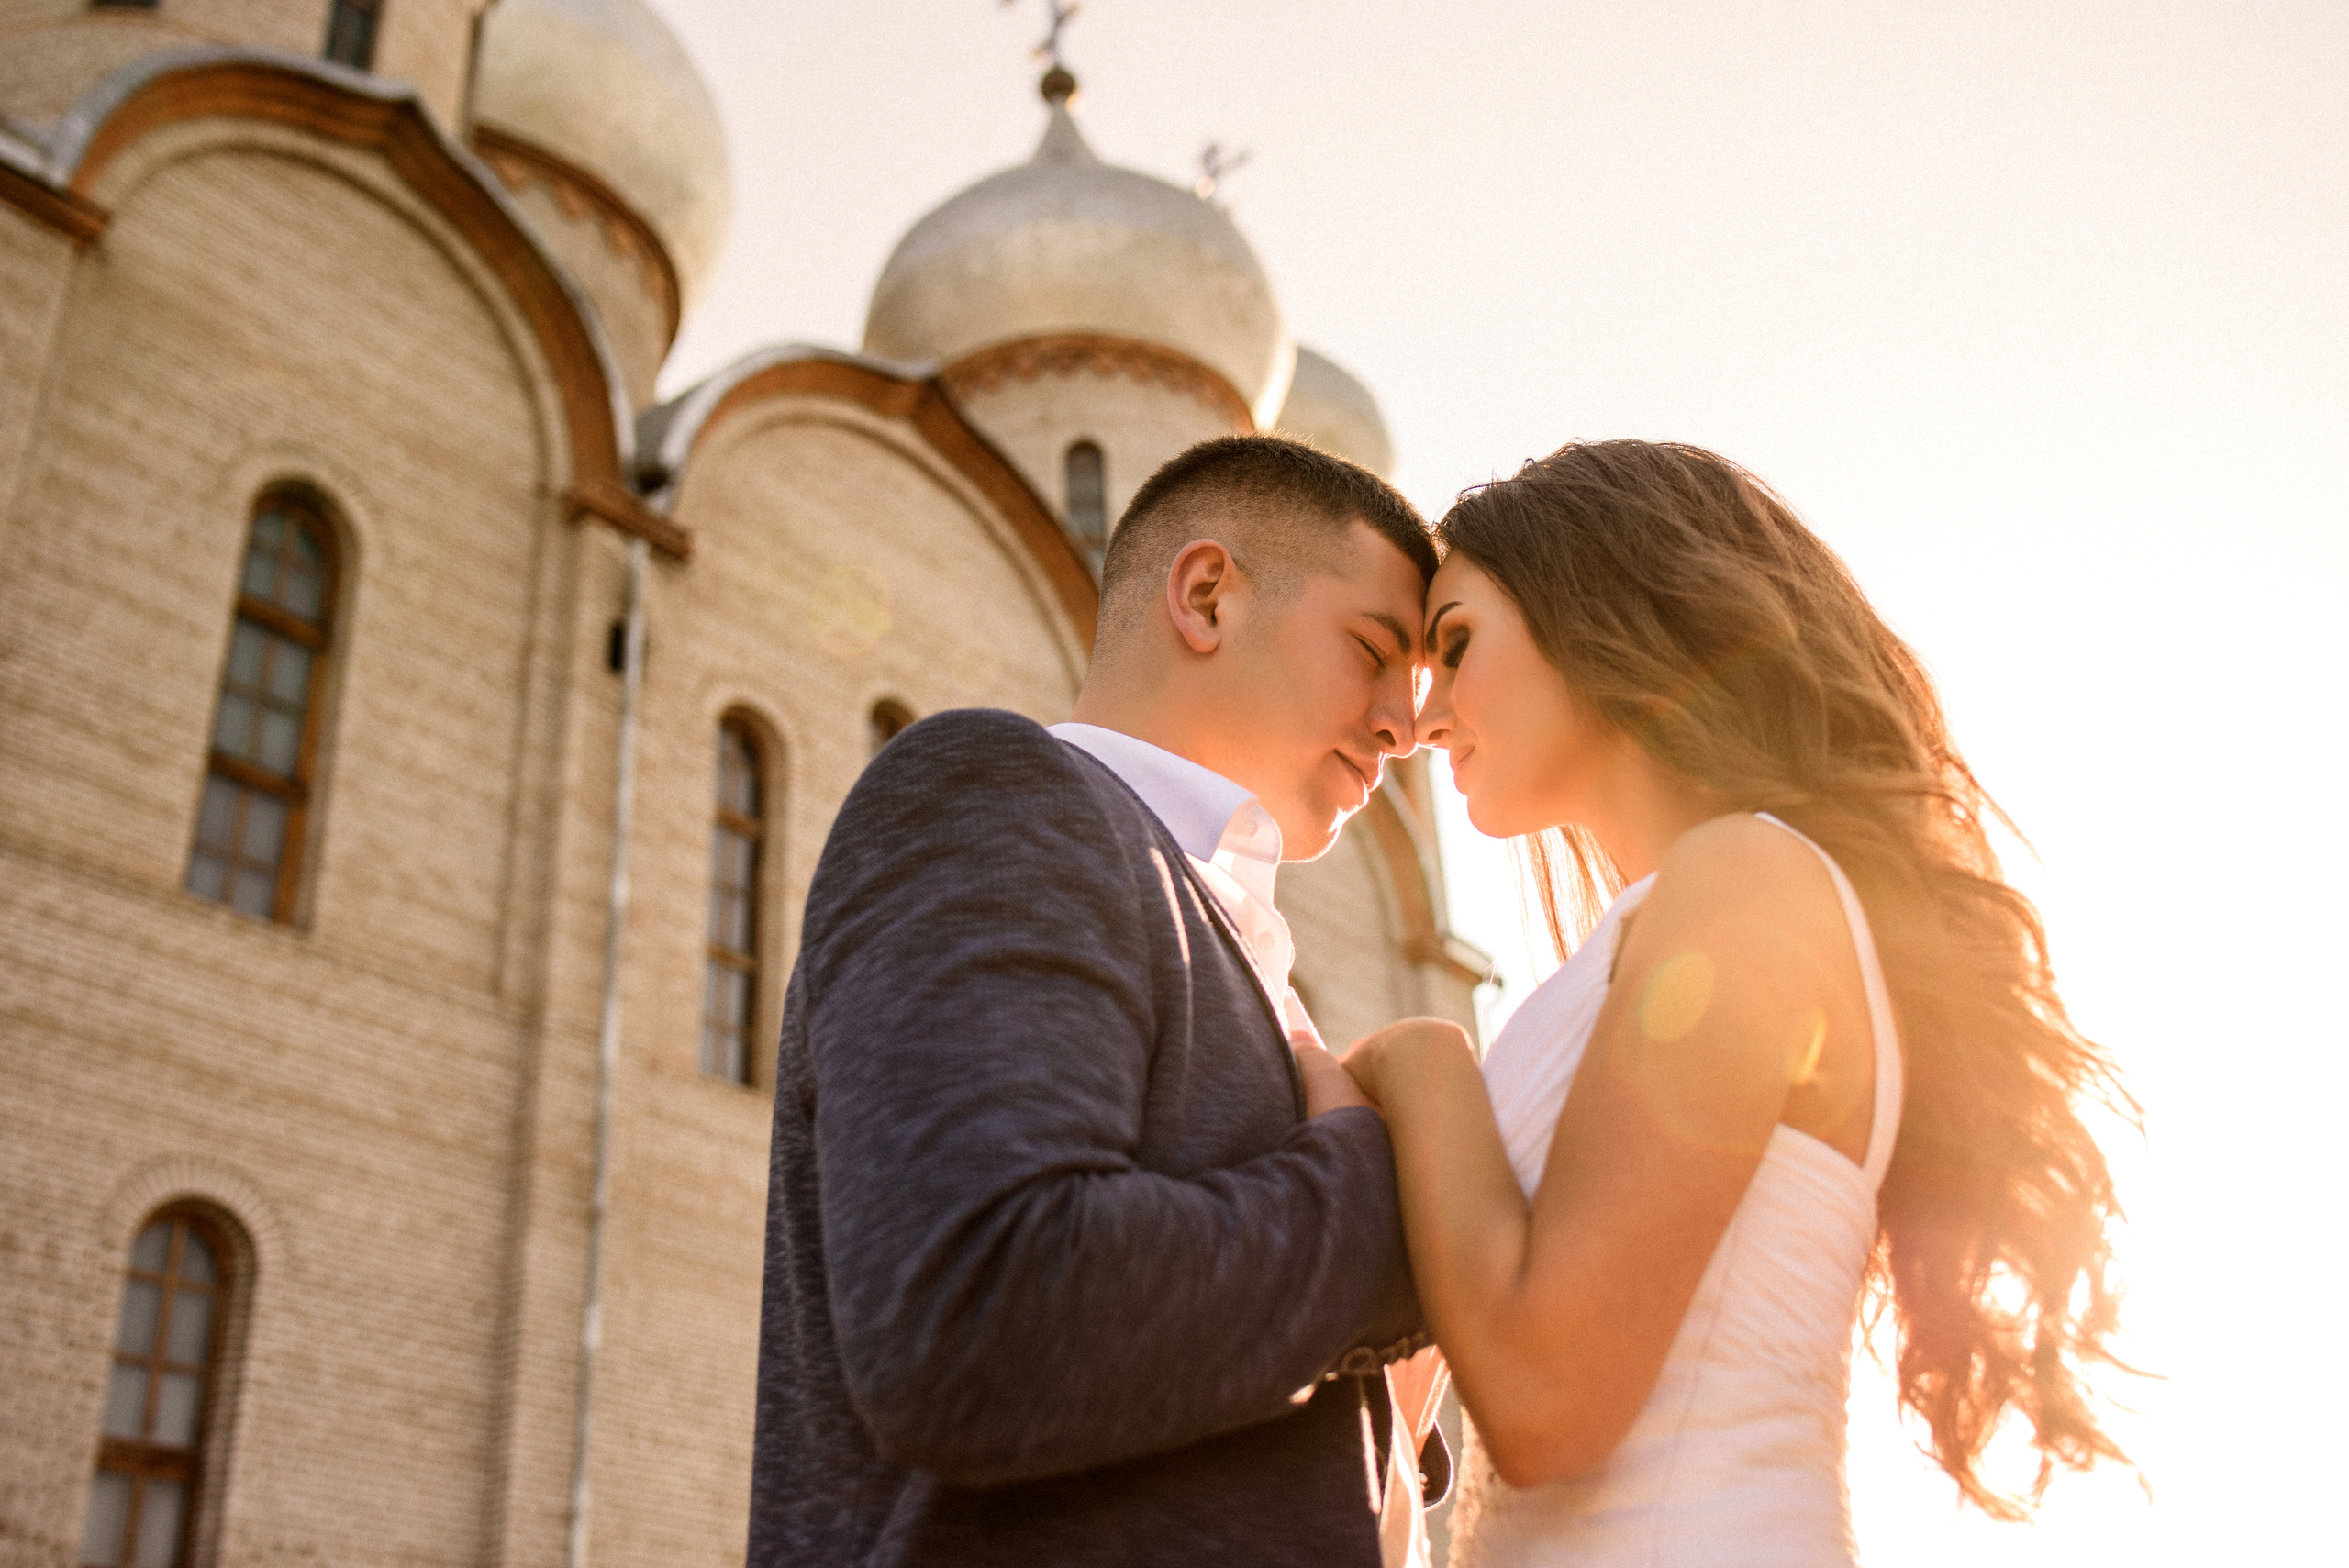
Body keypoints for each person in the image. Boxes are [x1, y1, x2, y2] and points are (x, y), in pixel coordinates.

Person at [1326, 441, 2132, 1565]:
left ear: (1598, 607)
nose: (1425, 718)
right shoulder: (1660, 925)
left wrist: (1419, 1063)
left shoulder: (1745, 879)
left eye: (1456, 645)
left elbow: (1548, 1396)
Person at [747, 435, 1452, 1568]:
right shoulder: (998, 791)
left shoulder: (1224, 923)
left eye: (1418, 689)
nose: (1403, 724)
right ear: (1207, 593)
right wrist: (1381, 1204)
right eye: (1372, 651)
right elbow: (978, 1314)